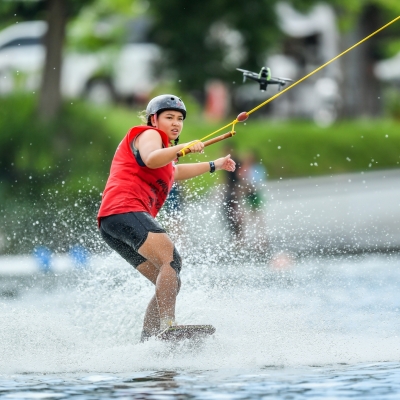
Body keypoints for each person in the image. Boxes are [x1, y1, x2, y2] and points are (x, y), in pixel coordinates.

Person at [97, 94, 236, 342]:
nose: (175, 123)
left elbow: (175, 171)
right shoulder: (149, 135)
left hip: (111, 224)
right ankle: (168, 326)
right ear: (154, 119)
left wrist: (215, 164)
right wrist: (182, 148)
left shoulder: (166, 155)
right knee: (171, 261)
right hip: (124, 209)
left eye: (180, 119)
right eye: (169, 117)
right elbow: (151, 159)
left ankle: (149, 339)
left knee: (170, 281)